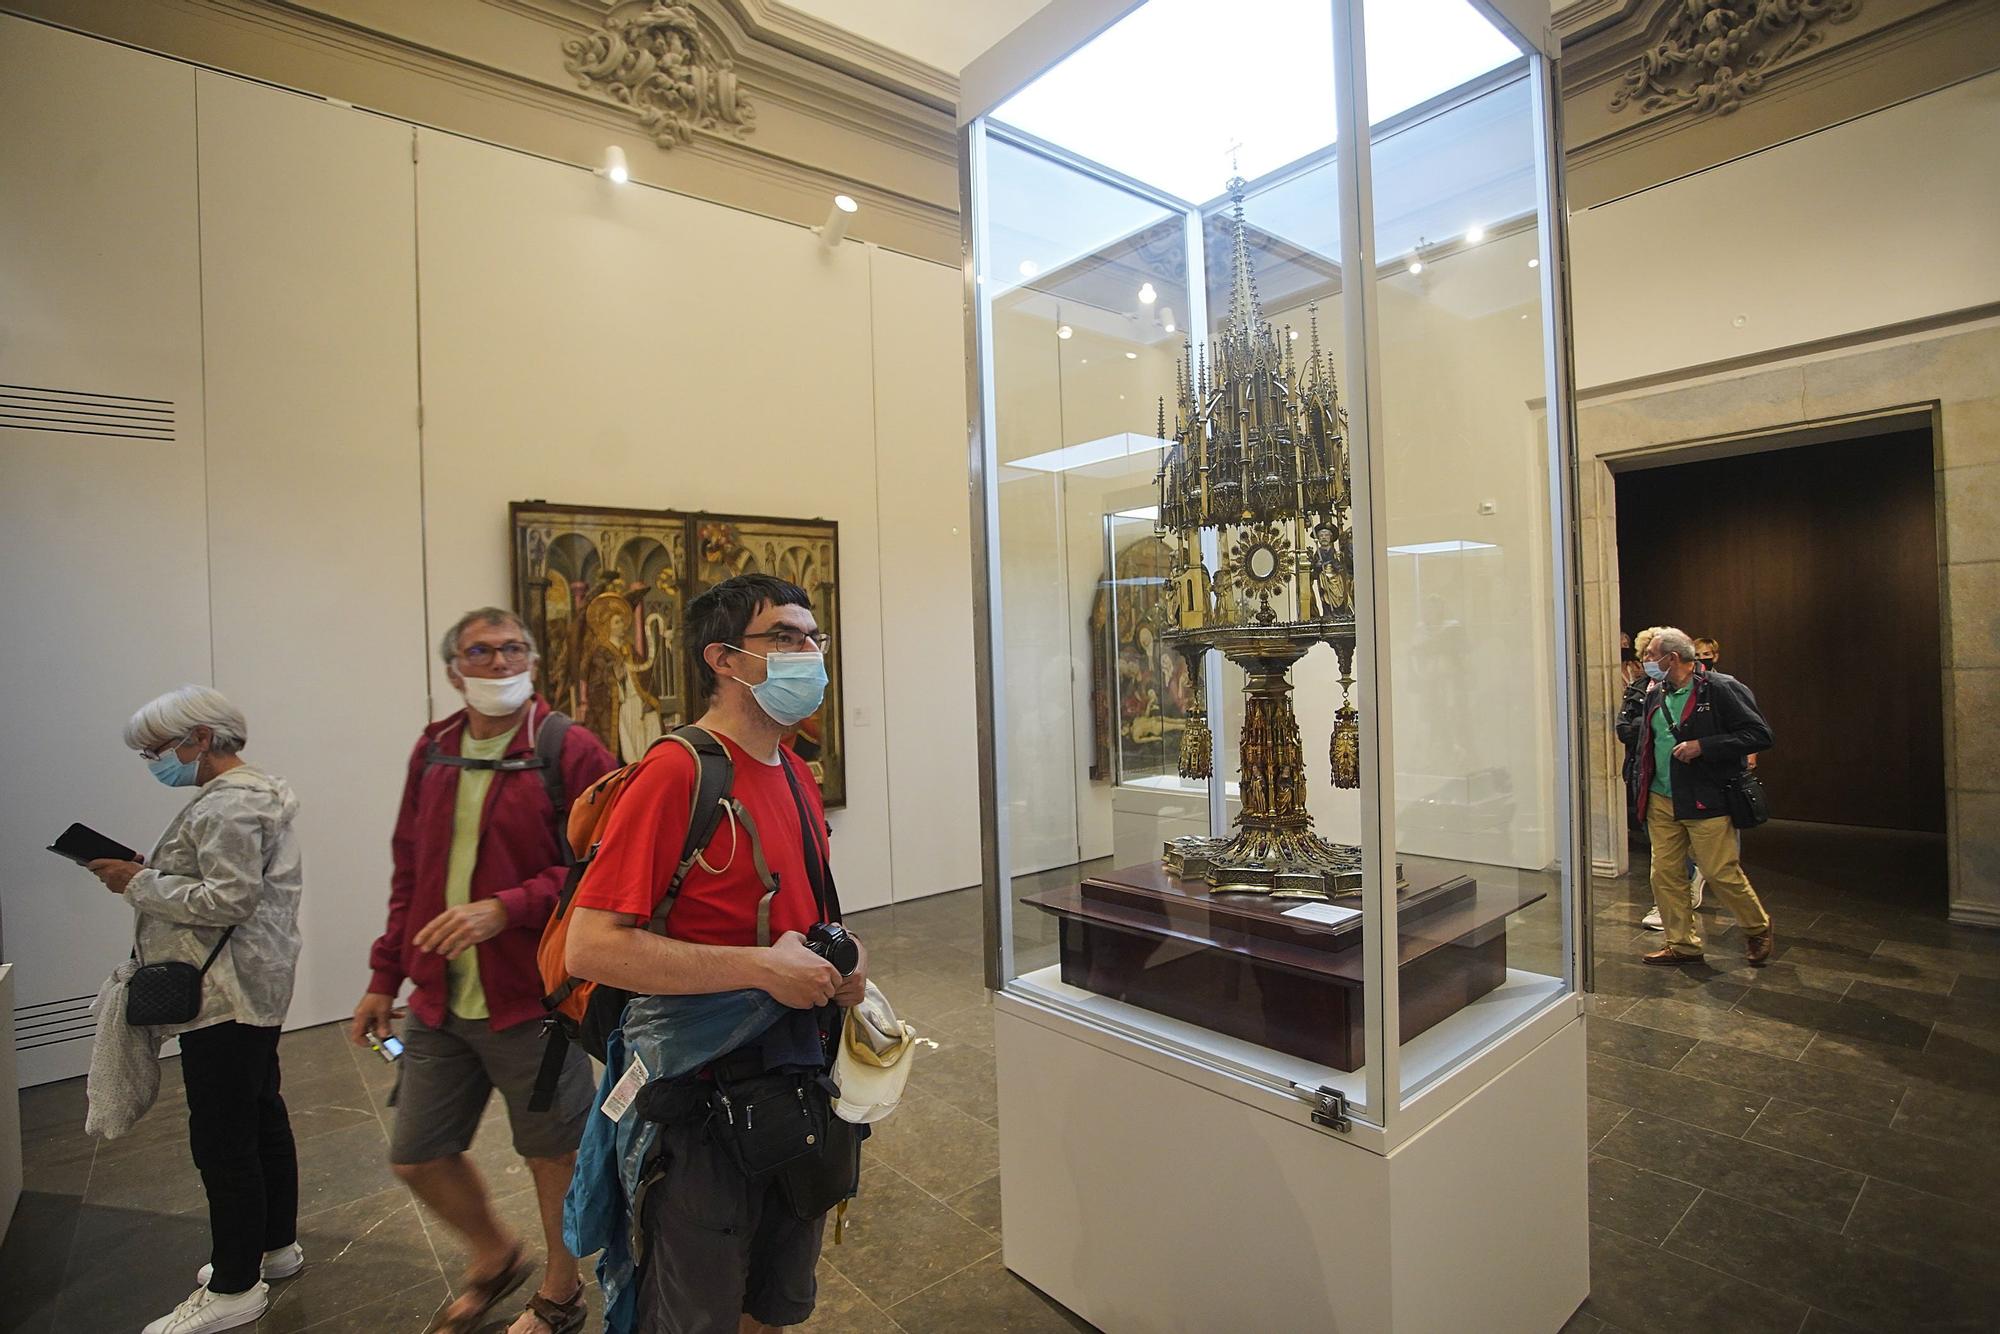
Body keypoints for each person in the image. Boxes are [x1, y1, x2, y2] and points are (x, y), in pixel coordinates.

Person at [566, 573, 869, 1334]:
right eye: (785, 638)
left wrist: (846, 958)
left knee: (774, 1301)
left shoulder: (795, 770)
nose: (809, 653)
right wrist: (761, 969)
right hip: (699, 1105)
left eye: (814, 637)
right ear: (726, 660)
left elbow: (798, 914)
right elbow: (591, 945)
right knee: (692, 1310)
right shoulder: (678, 773)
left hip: (795, 1082)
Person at [354, 607, 617, 1334]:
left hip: (531, 997)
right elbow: (411, 864)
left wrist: (507, 907)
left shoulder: (569, 748)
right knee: (417, 1155)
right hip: (438, 997)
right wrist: (385, 975)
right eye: (482, 651)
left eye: (513, 650)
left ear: (532, 660)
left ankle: (560, 1296)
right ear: (453, 669)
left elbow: (602, 871)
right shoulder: (434, 749)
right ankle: (495, 1252)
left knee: (552, 1155)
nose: (501, 663)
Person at [88, 686, 304, 1334]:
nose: (154, 761)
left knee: (223, 1137)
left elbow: (228, 899)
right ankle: (274, 1246)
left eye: (157, 749)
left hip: (226, 993)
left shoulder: (230, 803)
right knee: (259, 1112)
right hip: (249, 985)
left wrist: (140, 883)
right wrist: (156, 870)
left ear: (201, 738)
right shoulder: (248, 794)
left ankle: (237, 1286)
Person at [1631, 627, 1776, 967]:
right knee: (1664, 874)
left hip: (1705, 798)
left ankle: (1757, 926)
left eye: (1651, 656)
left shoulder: (1722, 689)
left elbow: (1759, 734)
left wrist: (1704, 747)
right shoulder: (1656, 693)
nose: (1646, 661)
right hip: (1660, 798)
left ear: (1673, 658)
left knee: (1718, 870)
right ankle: (1682, 943)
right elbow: (1646, 745)